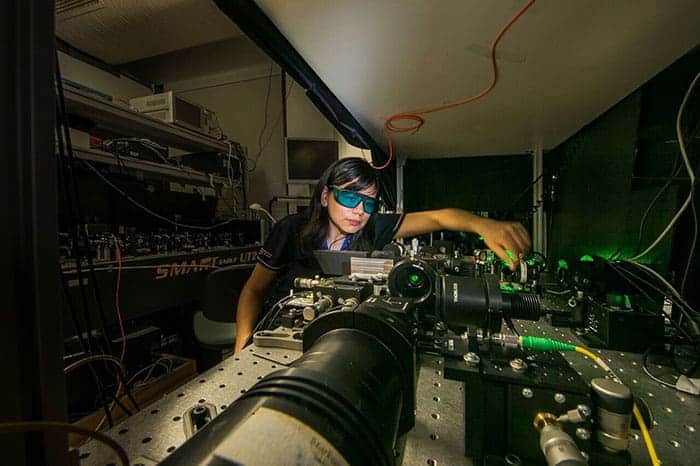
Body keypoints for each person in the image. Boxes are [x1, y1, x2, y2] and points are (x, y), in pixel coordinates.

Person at [234, 157, 531, 352]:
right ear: (325, 196)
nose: (358, 211)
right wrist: (242, 346)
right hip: (278, 335)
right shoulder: (290, 230)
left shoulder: (373, 228)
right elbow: (252, 290)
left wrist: (482, 225)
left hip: (331, 340)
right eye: (349, 196)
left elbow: (440, 218)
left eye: (368, 203)